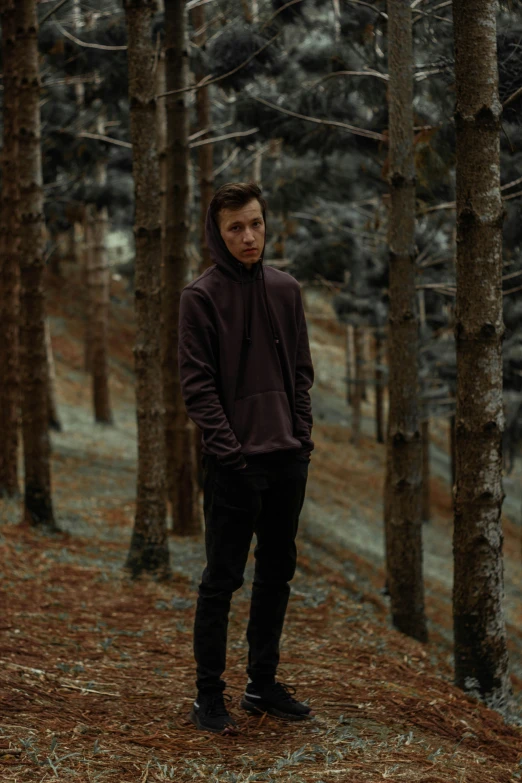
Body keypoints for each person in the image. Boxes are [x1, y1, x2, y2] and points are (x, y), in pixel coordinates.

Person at [178, 182, 315, 735]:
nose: (248, 236)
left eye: (255, 223)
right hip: (234, 466)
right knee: (222, 579)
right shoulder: (200, 297)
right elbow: (197, 387)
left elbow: (301, 374)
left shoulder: (286, 289)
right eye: (236, 227)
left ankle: (262, 685)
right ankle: (208, 696)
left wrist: (301, 437)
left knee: (276, 573)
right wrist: (229, 452)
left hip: (287, 458)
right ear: (217, 232)